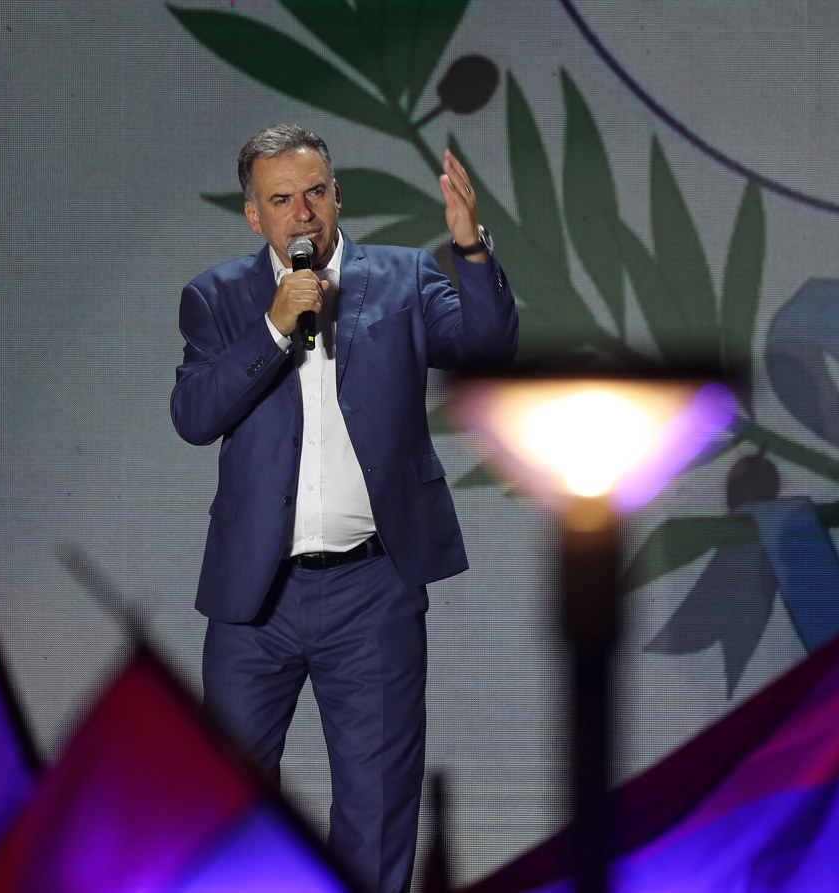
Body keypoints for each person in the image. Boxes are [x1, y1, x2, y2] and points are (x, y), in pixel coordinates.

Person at [170, 124, 518, 893]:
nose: (304, 214)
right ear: (254, 216)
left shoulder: (401, 278)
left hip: (372, 593)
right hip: (254, 601)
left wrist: (469, 249)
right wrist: (273, 326)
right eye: (282, 199)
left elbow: (489, 350)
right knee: (226, 812)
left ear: (337, 196)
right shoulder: (219, 297)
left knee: (380, 812)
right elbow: (194, 414)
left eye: (316, 193)